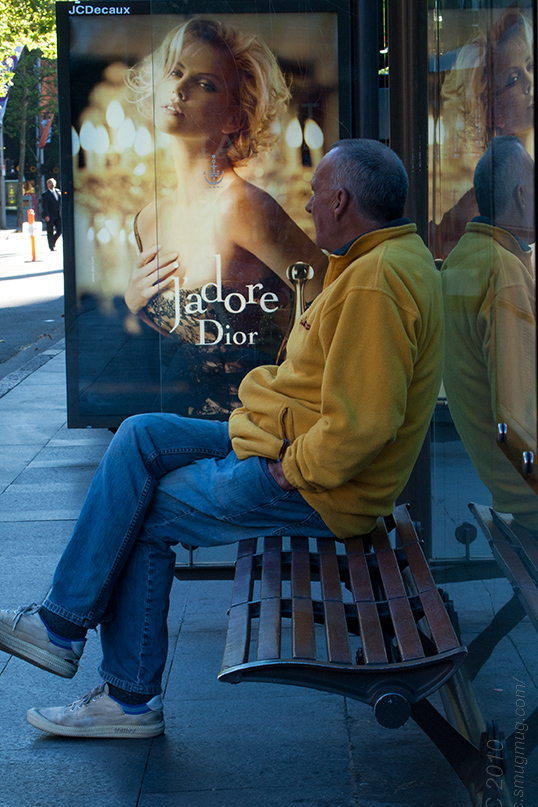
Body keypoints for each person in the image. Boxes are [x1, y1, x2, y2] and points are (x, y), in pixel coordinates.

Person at [0, 139, 443, 738]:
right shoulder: (379, 262)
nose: (307, 205)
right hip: (268, 437)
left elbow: (362, 425)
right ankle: (61, 626)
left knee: (143, 512)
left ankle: (128, 698)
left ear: (341, 201)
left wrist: (286, 472)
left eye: (316, 194)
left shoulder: (375, 282)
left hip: (314, 485)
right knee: (139, 435)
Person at [124, 18, 327, 416]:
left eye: (205, 84)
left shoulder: (242, 206)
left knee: (135, 441)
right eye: (175, 72)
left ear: (234, 118)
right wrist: (134, 302)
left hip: (249, 429)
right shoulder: (148, 219)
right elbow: (187, 337)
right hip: (179, 416)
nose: (179, 89)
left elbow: (333, 297)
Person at [443, 135, 537, 528]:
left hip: (506, 485)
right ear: (521, 195)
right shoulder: (504, 274)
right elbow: (518, 421)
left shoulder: (465, 259)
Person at [432, 10, 534, 260]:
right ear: (493, 111)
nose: (530, 82)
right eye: (513, 79)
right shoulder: (480, 205)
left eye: (532, 66)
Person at [41, 177, 62, 251]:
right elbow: (45, 205)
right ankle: (51, 245)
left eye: (53, 183)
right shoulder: (45, 194)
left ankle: (53, 240)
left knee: (60, 230)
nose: (52, 184)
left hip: (58, 214)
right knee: (50, 231)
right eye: (50, 183)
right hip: (50, 215)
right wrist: (46, 215)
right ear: (47, 185)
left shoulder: (57, 192)